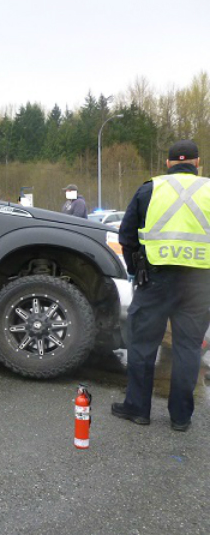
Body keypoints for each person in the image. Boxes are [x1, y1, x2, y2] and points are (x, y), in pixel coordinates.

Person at [112, 139, 210, 432]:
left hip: (155, 279)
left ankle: (138, 409)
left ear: (167, 164)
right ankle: (181, 417)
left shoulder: (149, 189)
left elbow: (127, 236)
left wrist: (136, 269)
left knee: (142, 346)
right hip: (199, 284)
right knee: (188, 348)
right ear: (197, 163)